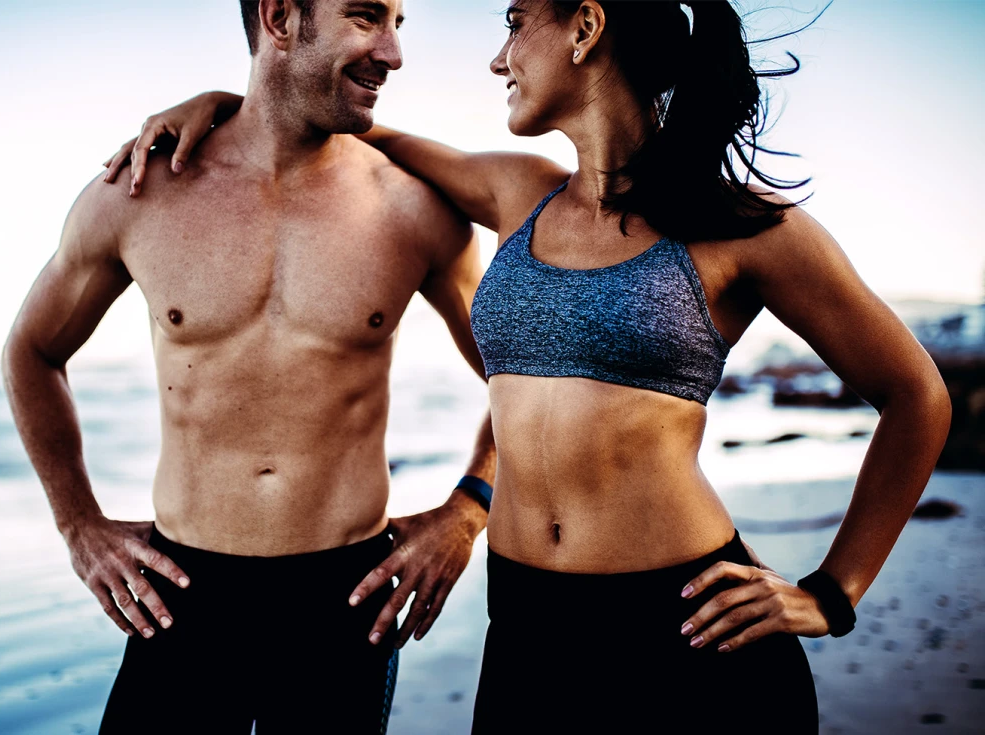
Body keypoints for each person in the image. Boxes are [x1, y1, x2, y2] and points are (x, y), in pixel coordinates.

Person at [111, 0, 952, 732]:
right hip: (524, 634)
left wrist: (834, 592)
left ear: (585, 26)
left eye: (515, 23)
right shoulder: (520, 191)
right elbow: (348, 125)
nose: (498, 56)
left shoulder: (743, 227)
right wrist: (231, 101)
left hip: (689, 630)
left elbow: (915, 395)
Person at [2, 0, 497, 732]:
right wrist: (79, 525)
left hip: (348, 597)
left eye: (399, 22)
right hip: (181, 592)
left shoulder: (415, 209)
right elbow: (32, 350)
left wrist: (468, 509)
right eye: (366, 17)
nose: (392, 53)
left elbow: (529, 375)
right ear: (278, 17)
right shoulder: (141, 191)